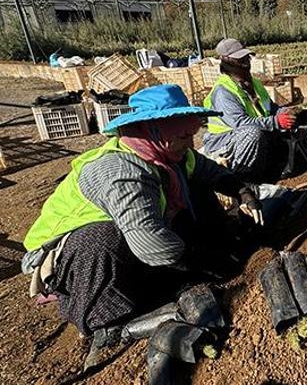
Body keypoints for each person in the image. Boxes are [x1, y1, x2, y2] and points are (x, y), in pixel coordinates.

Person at [21, 84, 264, 341]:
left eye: (191, 133)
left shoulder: (171, 155)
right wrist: (206, 262)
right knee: (101, 239)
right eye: (183, 136)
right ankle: (105, 322)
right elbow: (152, 245)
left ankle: (176, 270)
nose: (190, 143)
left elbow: (209, 171)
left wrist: (241, 191)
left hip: (137, 236)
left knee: (195, 187)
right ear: (154, 130)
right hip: (71, 255)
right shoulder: (120, 172)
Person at [202, 38, 296, 181]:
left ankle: (269, 175)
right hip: (223, 143)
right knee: (253, 133)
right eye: (240, 58)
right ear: (227, 61)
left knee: (276, 132)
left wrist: (283, 112)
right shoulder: (223, 91)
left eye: (246, 56)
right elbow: (241, 124)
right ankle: (243, 182)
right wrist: (276, 122)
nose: (246, 61)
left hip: (244, 135)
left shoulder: (254, 83)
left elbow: (271, 108)